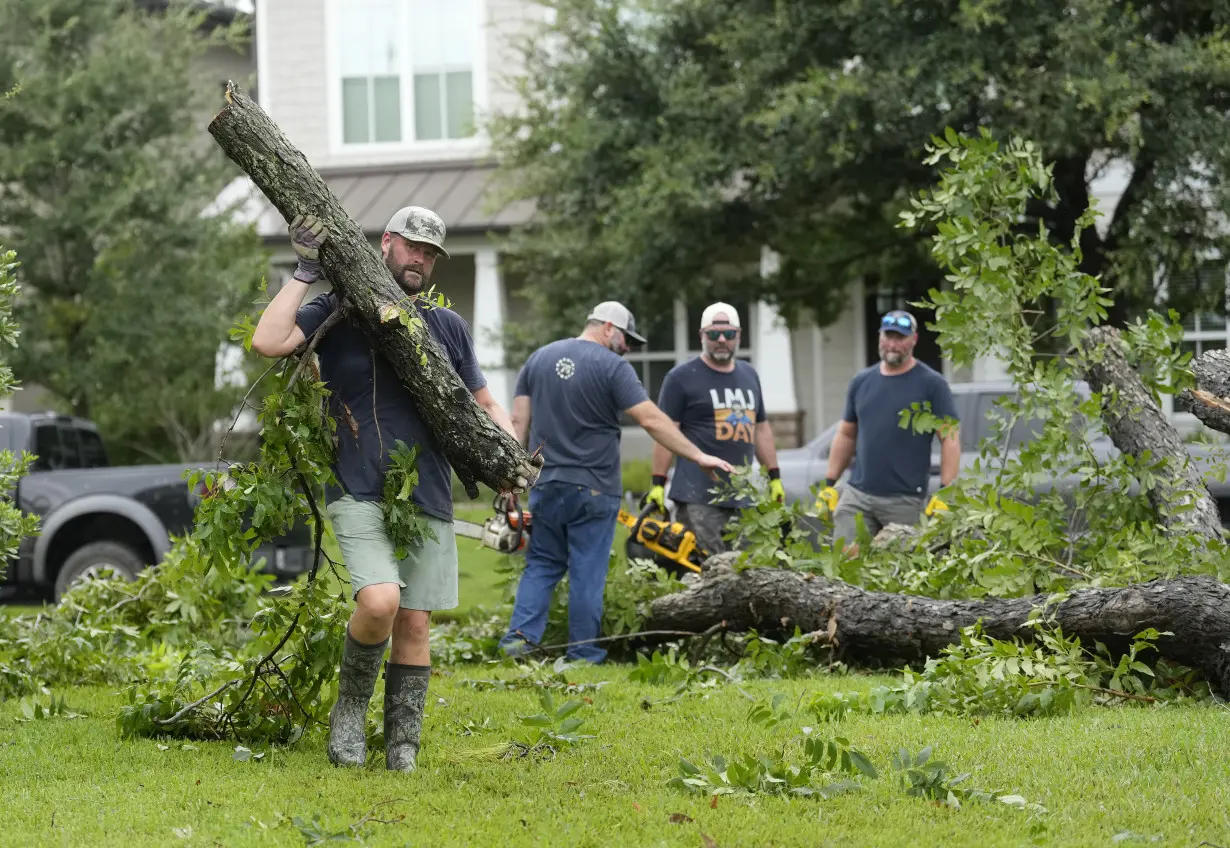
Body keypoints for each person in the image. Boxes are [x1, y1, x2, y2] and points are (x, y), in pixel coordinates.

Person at [250, 206, 518, 773]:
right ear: (386, 242)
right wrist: (303, 271)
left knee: (416, 621)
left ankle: (403, 747)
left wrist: (511, 460)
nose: (420, 258)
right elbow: (268, 342)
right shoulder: (339, 315)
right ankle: (349, 713)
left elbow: (486, 403)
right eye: (413, 246)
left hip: (428, 494)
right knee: (380, 602)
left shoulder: (446, 328)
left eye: (431, 253)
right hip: (357, 486)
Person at [499, 301, 735, 663]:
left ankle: (517, 645)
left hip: (545, 484)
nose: (627, 348)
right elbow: (652, 420)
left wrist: (512, 480)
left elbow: (517, 422)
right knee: (586, 572)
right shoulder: (612, 367)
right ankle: (583, 654)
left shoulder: (538, 359)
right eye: (626, 339)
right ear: (608, 327)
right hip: (594, 487)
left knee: (543, 564)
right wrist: (698, 455)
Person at [646, 302, 784, 555]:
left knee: (744, 571)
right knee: (705, 570)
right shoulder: (681, 377)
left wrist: (774, 477)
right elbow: (666, 432)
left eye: (729, 334)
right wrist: (657, 483)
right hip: (698, 497)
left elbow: (761, 428)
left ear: (739, 335)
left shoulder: (749, 375)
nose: (722, 339)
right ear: (702, 335)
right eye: (713, 334)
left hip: (743, 496)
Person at [820, 309, 960, 551]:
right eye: (888, 336)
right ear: (879, 337)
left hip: (904, 501)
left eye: (900, 337)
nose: (893, 344)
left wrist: (946, 492)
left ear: (914, 340)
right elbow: (846, 434)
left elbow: (950, 438)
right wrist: (830, 484)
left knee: (901, 575)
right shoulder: (861, 382)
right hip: (857, 495)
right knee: (845, 568)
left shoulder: (931, 384)